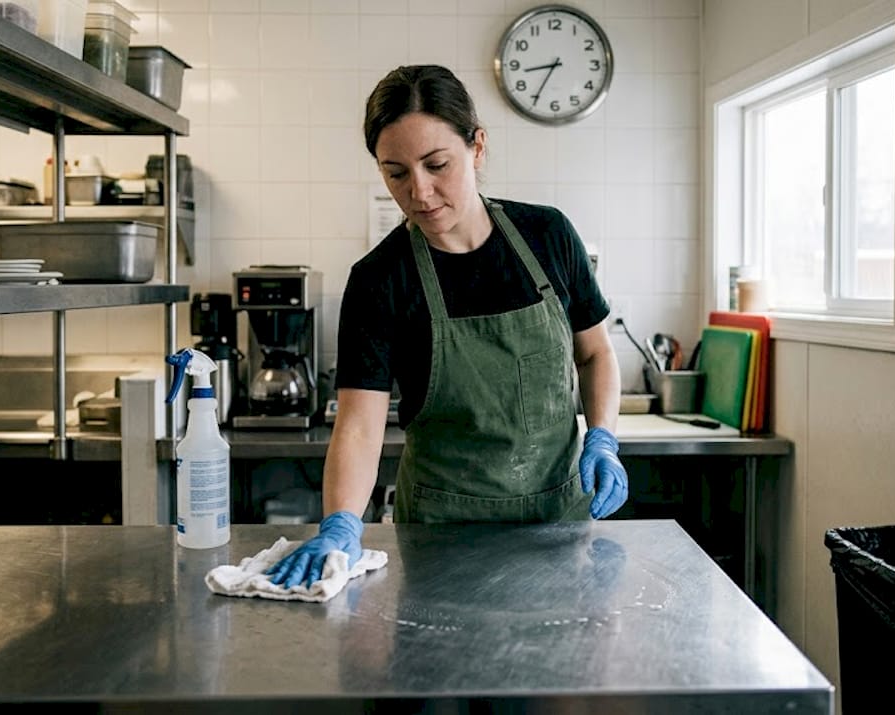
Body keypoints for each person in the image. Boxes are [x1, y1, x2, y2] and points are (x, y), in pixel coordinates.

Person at [267, 65, 627, 588]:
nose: (420, 191)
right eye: (396, 173)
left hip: (558, 526)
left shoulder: (548, 235)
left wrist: (602, 438)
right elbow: (360, 426)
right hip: (442, 541)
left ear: (477, 147)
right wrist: (341, 522)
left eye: (437, 165)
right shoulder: (379, 280)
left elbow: (595, 353)